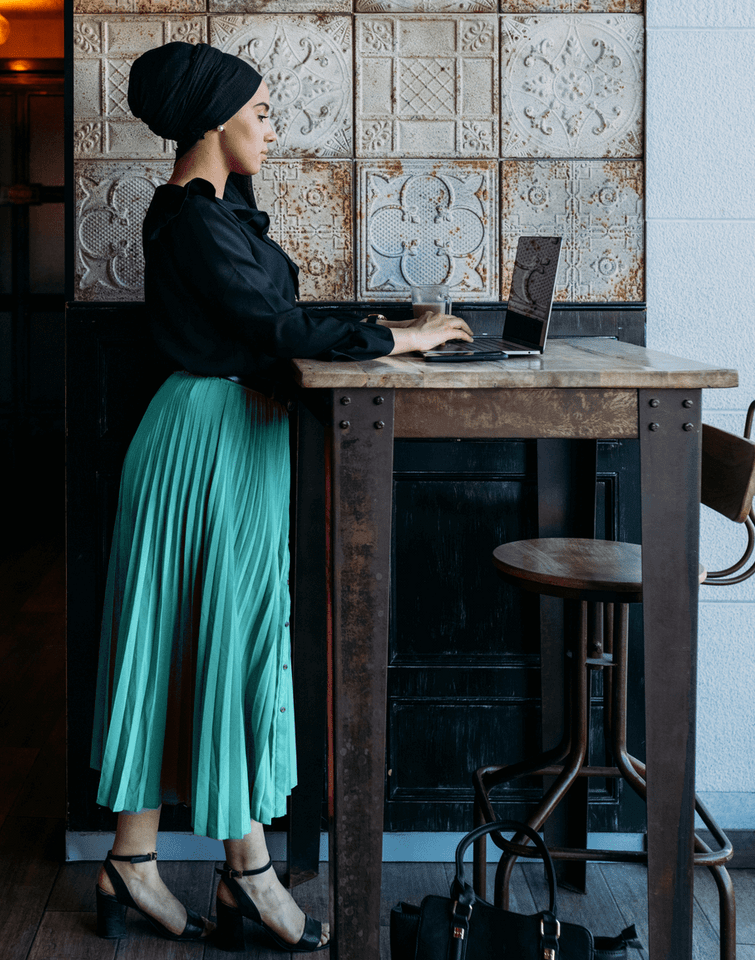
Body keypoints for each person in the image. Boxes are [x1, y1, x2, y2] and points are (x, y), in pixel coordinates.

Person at [88, 42, 473, 953]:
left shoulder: (213, 215)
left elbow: (278, 318)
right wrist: (404, 341)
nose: (271, 129)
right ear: (218, 122)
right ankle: (244, 873)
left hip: (226, 437)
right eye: (260, 113)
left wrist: (390, 329)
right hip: (207, 442)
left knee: (197, 641)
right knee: (214, 642)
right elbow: (276, 326)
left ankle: (136, 860)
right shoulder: (195, 222)